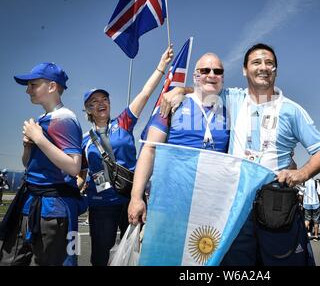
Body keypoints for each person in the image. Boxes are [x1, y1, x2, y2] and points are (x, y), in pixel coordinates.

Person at [162, 43, 320, 266]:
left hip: (275, 206)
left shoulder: (292, 110)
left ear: (275, 70)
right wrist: (179, 90)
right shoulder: (231, 98)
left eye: (269, 63)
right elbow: (204, 87)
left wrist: (301, 173)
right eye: (256, 62)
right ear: (244, 70)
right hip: (235, 209)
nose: (263, 67)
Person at [78, 46, 173, 266]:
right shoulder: (82, 139)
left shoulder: (123, 122)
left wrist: (161, 66)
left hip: (132, 199)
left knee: (139, 253)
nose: (101, 103)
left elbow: (145, 93)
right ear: (88, 110)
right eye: (94, 102)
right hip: (101, 206)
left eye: (104, 99)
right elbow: (80, 173)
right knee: (100, 257)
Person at [128, 52, 230, 225]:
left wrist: (182, 88)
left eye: (217, 71)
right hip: (169, 202)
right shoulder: (172, 104)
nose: (212, 75)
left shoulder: (230, 111)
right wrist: (136, 197)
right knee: (163, 252)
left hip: (211, 204)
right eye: (205, 70)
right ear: (195, 76)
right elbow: (149, 149)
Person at [1, 62, 84, 266]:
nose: (27, 90)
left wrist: (39, 139)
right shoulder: (41, 120)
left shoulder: (65, 119)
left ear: (52, 86)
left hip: (52, 210)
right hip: (29, 204)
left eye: (33, 84)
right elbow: (28, 164)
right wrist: (28, 147)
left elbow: (74, 166)